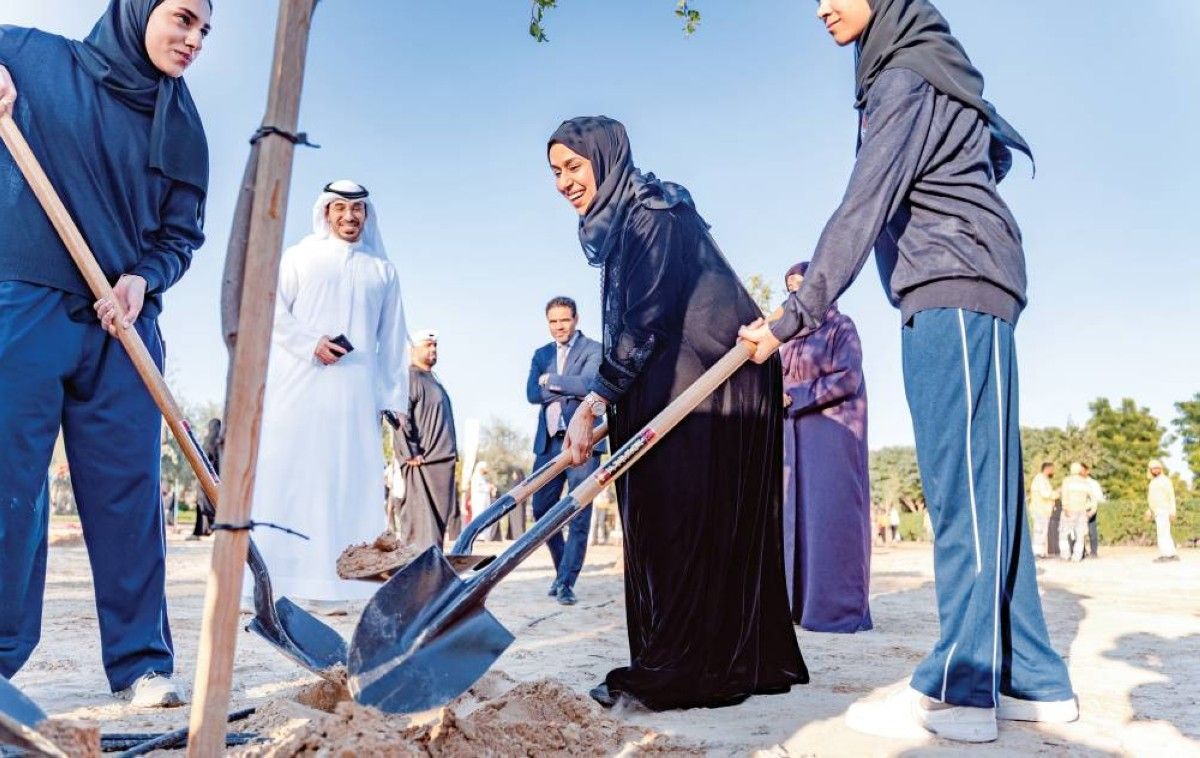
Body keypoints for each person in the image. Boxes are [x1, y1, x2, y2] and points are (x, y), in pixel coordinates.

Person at [737, 0, 1076, 741]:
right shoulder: (929, 66)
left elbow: (863, 204)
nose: (821, 7)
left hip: (950, 285)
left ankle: (962, 687)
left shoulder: (904, 77)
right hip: (971, 281)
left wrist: (791, 317)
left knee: (962, 491)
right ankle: (1032, 677)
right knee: (989, 487)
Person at [550, 116, 807, 710]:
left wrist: (594, 400)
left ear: (605, 159)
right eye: (555, 172)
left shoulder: (653, 214)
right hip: (677, 375)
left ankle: (688, 667)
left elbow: (645, 321)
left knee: (682, 520)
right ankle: (702, 658)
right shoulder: (625, 218)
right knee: (665, 518)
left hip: (716, 381)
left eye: (573, 166)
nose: (564, 182)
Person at [0, 0, 212, 708]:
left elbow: (180, 238)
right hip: (22, 302)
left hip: (122, 323)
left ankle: (142, 663)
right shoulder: (31, 56)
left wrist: (143, 279)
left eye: (204, 30)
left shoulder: (184, 128)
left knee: (130, 495)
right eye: (183, 18)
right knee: (9, 485)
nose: (194, 38)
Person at [249, 180, 409, 611]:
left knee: (345, 481)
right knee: (290, 477)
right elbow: (269, 309)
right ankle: (269, 583)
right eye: (339, 208)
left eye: (357, 209)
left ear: (367, 215)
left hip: (355, 396)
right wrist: (311, 343)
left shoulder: (383, 271)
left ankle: (338, 586)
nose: (349, 216)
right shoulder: (298, 258)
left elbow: (394, 339)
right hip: (298, 389)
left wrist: (395, 399)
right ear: (325, 212)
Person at [779, 261, 872, 633]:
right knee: (794, 516)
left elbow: (848, 377)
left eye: (800, 285)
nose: (794, 293)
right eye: (789, 287)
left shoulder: (841, 326)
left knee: (829, 515)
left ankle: (835, 610)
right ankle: (795, 605)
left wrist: (796, 395)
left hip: (833, 433)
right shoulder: (787, 337)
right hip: (792, 435)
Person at [526, 296, 605, 606]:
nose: (559, 326)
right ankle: (562, 571)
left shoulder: (594, 349)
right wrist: (568, 386)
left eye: (564, 320)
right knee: (541, 510)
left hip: (584, 441)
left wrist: (552, 381)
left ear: (576, 319)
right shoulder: (541, 354)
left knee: (579, 512)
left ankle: (566, 583)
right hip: (549, 444)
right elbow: (532, 393)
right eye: (553, 321)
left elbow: (591, 384)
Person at [394, 330, 459, 553]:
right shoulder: (410, 378)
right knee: (421, 529)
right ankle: (417, 573)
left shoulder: (432, 379)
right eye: (427, 345)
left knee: (435, 531)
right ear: (413, 349)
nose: (433, 349)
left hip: (440, 464)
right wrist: (409, 451)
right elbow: (399, 416)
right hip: (422, 464)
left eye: (435, 345)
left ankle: (431, 570)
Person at [189, 417, 220, 540]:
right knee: (217, 505)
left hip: (206, 478)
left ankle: (198, 533)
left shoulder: (208, 440)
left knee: (202, 505)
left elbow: (202, 459)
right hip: (219, 480)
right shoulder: (222, 441)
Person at [1058, 463, 1091, 563]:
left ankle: (1065, 555)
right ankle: (1077, 556)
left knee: (1063, 533)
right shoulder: (1085, 482)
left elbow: (1064, 495)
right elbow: (1092, 498)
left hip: (1070, 510)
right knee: (1080, 535)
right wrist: (1088, 508)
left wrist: (1065, 507)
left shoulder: (1067, 481)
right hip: (1082, 511)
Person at [1147, 459, 1178, 563]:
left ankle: (1166, 555)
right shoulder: (1153, 481)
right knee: (1164, 533)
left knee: (1163, 533)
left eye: (1157, 468)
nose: (1155, 470)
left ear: (1160, 468)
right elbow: (1152, 498)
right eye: (1153, 468)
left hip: (1164, 510)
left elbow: (1171, 496)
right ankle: (1171, 554)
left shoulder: (1165, 480)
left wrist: (1172, 512)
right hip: (1157, 511)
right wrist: (1150, 510)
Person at [1029, 462, 1057, 558]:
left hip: (1044, 510)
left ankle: (1041, 552)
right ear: (1047, 469)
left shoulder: (1043, 479)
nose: (1053, 471)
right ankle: (1036, 553)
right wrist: (1057, 493)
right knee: (1039, 531)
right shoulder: (1040, 479)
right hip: (1039, 509)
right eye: (1052, 469)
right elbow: (1046, 494)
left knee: (1042, 532)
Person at [1080, 463, 1104, 559]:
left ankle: (1093, 552)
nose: (1080, 472)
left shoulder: (1093, 483)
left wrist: (1093, 509)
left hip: (1090, 508)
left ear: (1087, 471)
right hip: (1078, 509)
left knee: (1092, 531)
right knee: (1079, 532)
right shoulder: (1076, 482)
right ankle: (1081, 552)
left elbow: (1098, 497)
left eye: (1082, 470)